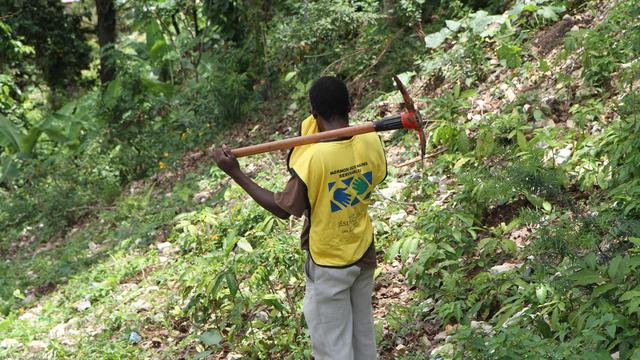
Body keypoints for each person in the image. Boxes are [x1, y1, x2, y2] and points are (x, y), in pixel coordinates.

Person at [213, 76, 387, 360]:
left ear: (315, 113)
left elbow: (283, 208)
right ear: (350, 106)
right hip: (362, 251)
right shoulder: (370, 140)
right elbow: (374, 174)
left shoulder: (314, 159)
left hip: (329, 262)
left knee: (333, 348)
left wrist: (236, 174)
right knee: (363, 339)